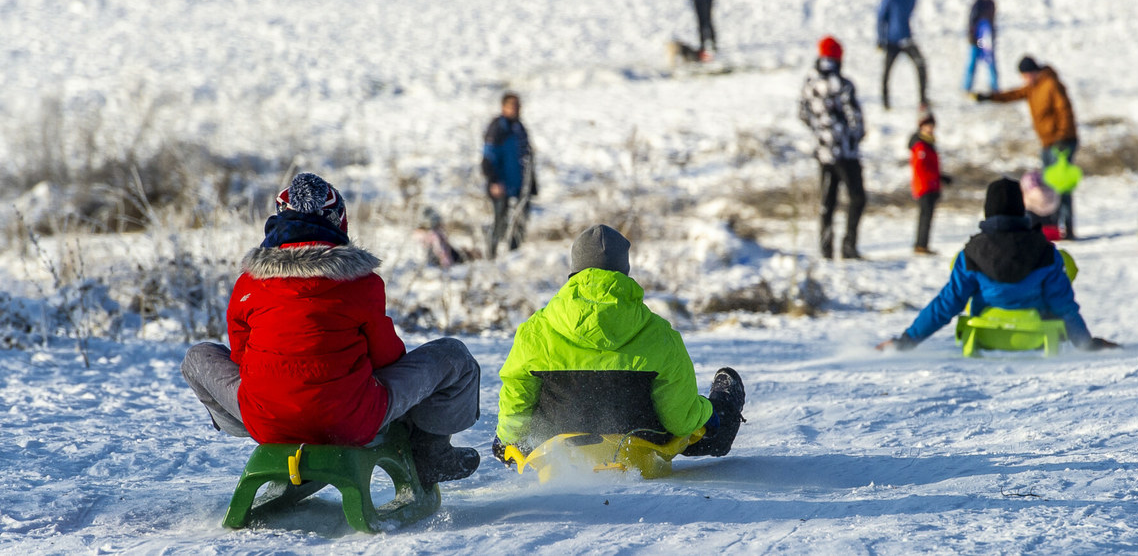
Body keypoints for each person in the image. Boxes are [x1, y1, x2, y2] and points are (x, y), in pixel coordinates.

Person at [181, 172, 481, 486]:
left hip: (265, 421)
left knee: (197, 357)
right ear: (338, 222)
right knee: (453, 356)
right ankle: (431, 454)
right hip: (349, 421)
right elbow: (386, 358)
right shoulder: (361, 282)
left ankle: (276, 431)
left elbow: (242, 358)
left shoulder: (249, 283)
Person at [493, 224, 746, 462]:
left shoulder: (535, 331)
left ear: (574, 272)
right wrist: (708, 414)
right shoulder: (658, 334)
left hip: (558, 456)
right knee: (708, 419)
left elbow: (517, 403)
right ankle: (721, 406)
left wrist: (507, 440)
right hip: (638, 450)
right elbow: (681, 421)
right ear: (624, 272)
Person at [876, 178, 1119, 351]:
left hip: (987, 338)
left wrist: (906, 341)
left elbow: (946, 304)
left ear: (988, 211)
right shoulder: (1045, 251)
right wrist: (1087, 344)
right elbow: (1064, 305)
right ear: (1020, 210)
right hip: (1035, 340)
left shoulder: (971, 253)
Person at [974, 55, 1079, 239]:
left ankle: (1067, 226)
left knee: (1061, 185)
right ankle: (1051, 225)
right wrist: (989, 97)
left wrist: (1062, 137)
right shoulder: (1033, 87)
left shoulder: (1051, 84)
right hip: (1047, 142)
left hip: (1062, 142)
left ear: (1033, 72)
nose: (1025, 79)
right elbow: (1013, 95)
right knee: (1048, 187)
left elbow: (1065, 111)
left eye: (1026, 75)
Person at [798, 36, 866, 260]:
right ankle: (849, 246)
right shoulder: (842, 85)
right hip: (845, 152)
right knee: (857, 197)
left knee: (828, 201)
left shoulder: (810, 83)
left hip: (824, 152)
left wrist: (821, 133)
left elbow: (802, 113)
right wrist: (852, 136)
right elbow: (854, 118)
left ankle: (825, 248)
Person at [482, 91, 537, 258]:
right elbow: (488, 157)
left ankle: (513, 255)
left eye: (518, 105)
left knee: (520, 222)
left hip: (520, 185)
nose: (516, 109)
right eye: (512, 105)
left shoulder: (520, 128)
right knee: (500, 221)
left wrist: (532, 184)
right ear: (503, 107)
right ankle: (491, 256)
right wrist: (493, 181)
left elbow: (527, 157)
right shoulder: (498, 127)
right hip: (502, 184)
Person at [877, 0, 928, 110]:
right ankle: (885, 101)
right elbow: (881, 18)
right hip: (892, 41)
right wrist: (881, 39)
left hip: (906, 38)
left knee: (921, 64)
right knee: (887, 71)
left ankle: (923, 99)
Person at [909, 111, 951, 255]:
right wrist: (935, 178)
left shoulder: (929, 143)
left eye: (932, 125)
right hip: (925, 186)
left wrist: (940, 177)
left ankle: (922, 244)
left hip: (931, 184)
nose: (931, 128)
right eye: (927, 125)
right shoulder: (921, 145)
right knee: (925, 217)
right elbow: (921, 168)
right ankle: (921, 245)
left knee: (927, 216)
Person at [964, 0, 998, 93]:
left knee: (991, 62)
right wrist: (972, 36)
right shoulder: (977, 4)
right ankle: (966, 87)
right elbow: (971, 21)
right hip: (977, 39)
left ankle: (994, 87)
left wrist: (992, 36)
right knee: (972, 62)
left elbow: (992, 21)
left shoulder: (991, 3)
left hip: (986, 39)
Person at [1020, 170, 1062, 240]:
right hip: (1051, 224)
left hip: (1034, 224)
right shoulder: (1050, 187)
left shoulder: (1031, 190)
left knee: (1030, 215)